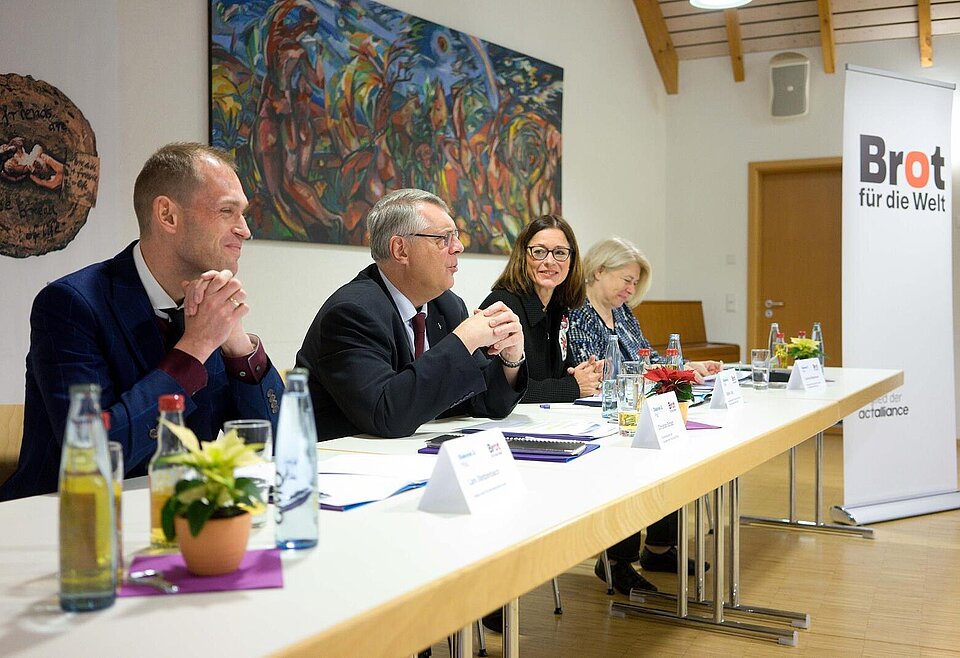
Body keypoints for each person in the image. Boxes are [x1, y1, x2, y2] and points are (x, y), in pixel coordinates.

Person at [0, 142, 284, 501]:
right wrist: (194, 349)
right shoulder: (70, 305)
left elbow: (275, 444)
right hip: (64, 524)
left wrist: (238, 346)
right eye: (227, 211)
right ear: (167, 215)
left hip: (185, 516)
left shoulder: (209, 308)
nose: (245, 230)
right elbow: (95, 453)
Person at [296, 188, 527, 440]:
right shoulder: (352, 313)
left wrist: (510, 358)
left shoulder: (447, 306)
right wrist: (463, 340)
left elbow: (485, 402)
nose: (458, 247)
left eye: (456, 236)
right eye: (443, 238)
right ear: (400, 250)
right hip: (342, 465)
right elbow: (387, 415)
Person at [568, 237, 719, 592]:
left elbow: (644, 357)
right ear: (599, 270)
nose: (631, 288)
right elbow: (594, 371)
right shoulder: (575, 311)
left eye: (635, 282)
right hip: (597, 414)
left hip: (634, 407)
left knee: (672, 451)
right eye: (627, 279)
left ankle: (659, 548)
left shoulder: (622, 312)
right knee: (633, 467)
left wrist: (684, 368)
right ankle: (616, 561)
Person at [480, 214, 603, 403]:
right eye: (539, 252)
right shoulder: (502, 306)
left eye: (560, 253)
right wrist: (573, 387)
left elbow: (563, 373)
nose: (550, 261)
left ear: (571, 261)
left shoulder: (557, 307)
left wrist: (586, 374)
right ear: (523, 256)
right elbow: (497, 390)